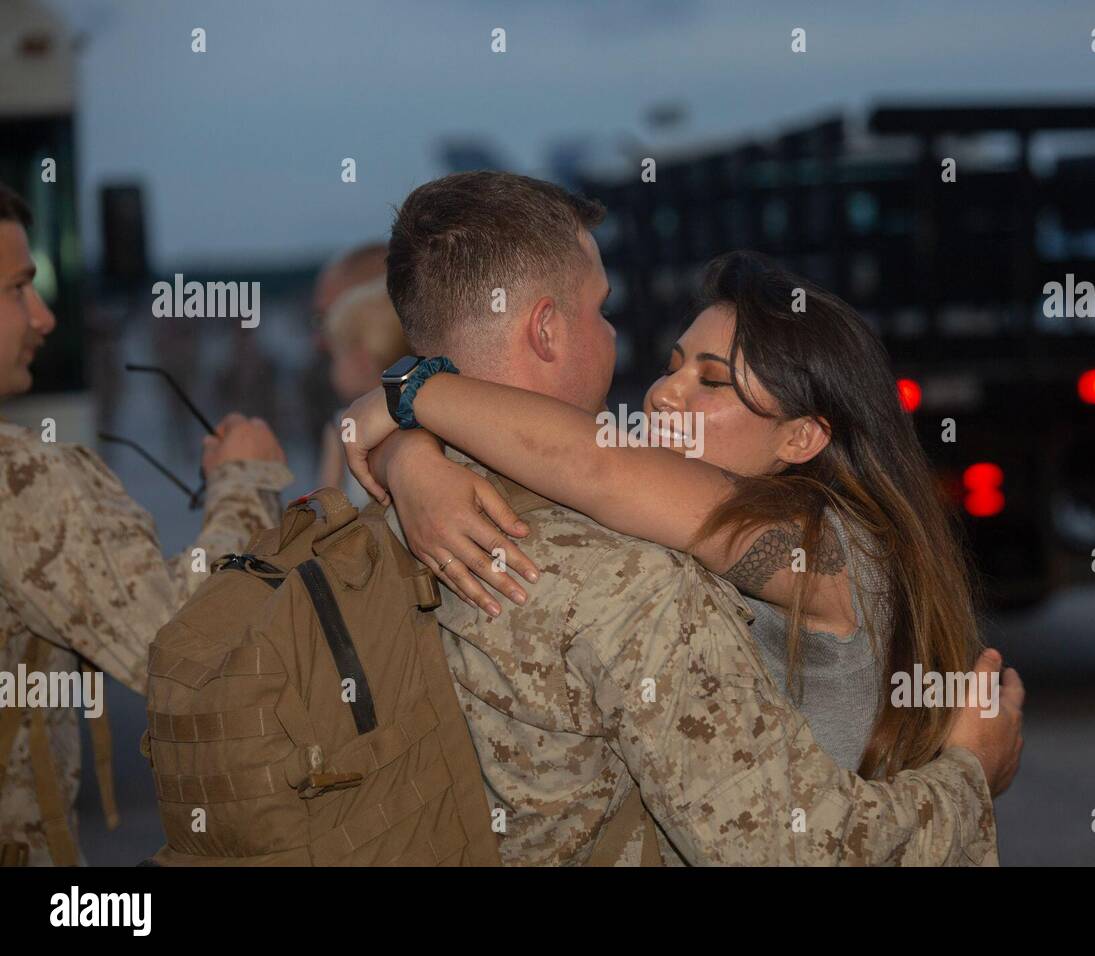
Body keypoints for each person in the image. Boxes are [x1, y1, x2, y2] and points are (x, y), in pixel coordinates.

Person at [353, 171, 1023, 865]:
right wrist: (413, 454)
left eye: (711, 382)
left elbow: (596, 466)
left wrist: (412, 394)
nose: (664, 393)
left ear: (801, 438)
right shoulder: (684, 523)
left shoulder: (818, 545)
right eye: (674, 365)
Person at [0, 182, 294, 866]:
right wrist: (245, 483)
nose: (42, 317)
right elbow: (176, 649)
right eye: (17, 289)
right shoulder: (24, 480)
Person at [316, 277, 410, 503]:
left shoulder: (343, 427)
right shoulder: (419, 413)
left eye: (335, 356)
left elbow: (324, 510)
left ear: (361, 363)